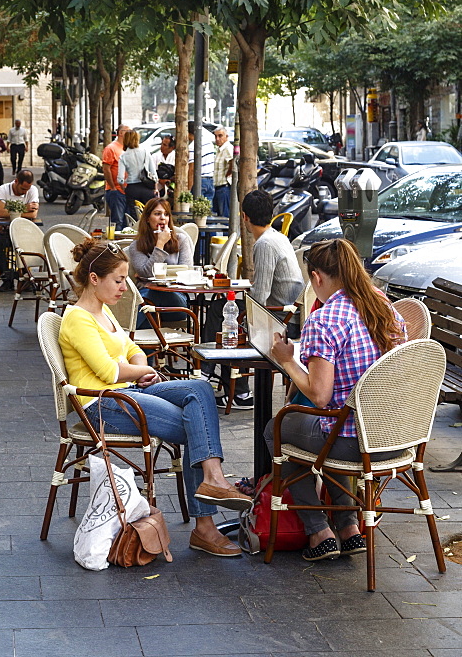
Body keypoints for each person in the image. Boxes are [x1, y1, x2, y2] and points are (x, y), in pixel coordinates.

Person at [59, 239, 253, 556]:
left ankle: (213, 480)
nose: (125, 287)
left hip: (125, 393)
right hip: (101, 404)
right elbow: (108, 371)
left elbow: (134, 351)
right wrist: (138, 372)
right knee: (197, 425)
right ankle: (206, 523)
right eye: (119, 280)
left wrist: (138, 368)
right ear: (94, 278)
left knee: (200, 389)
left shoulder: (103, 312)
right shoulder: (78, 318)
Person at [265, 238, 407, 561]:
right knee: (335, 421)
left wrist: (287, 361)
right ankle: (348, 527)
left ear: (316, 278)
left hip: (355, 443)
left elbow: (319, 395)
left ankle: (319, 530)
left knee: (277, 427)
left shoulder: (324, 319)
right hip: (397, 437)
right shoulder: (384, 307)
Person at [128, 197, 194, 328]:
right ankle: (150, 347)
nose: (163, 218)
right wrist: (160, 245)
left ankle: (124, 334)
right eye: (157, 214)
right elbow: (145, 272)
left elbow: (187, 272)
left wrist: (160, 244)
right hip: (148, 300)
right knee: (148, 305)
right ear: (147, 218)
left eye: (166, 214)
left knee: (149, 297)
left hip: (176, 300)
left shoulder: (181, 240)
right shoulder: (136, 245)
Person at [242, 189, 304, 319]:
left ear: (245, 216)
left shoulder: (265, 244)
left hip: (283, 318)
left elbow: (260, 296)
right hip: (291, 313)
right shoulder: (278, 236)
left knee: (218, 308)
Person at [0, 170, 40, 292]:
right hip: (5, 230)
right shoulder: (4, 189)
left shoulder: (32, 190)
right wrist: (25, 208)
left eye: (26, 190)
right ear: (16, 181)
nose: (25, 192)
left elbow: (33, 214)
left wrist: (10, 212)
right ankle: (7, 278)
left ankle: (24, 278)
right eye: (23, 189)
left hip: (25, 232)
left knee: (27, 245)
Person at [117, 130, 158, 220]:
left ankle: (137, 232)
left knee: (135, 216)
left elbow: (120, 179)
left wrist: (124, 189)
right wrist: (155, 188)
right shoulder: (145, 152)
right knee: (150, 214)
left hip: (132, 188)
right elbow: (153, 173)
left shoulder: (123, 156)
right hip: (147, 187)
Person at [102, 123, 129, 230]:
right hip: (116, 190)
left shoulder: (127, 148)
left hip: (126, 190)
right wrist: (113, 187)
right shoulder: (111, 148)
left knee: (126, 221)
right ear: (121, 133)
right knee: (117, 220)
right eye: (128, 131)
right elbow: (106, 168)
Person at [187, 122, 215, 202]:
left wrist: (188, 189)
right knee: (207, 210)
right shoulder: (209, 143)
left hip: (199, 181)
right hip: (210, 180)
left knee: (197, 210)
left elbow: (192, 169)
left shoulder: (193, 146)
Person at [212, 127, 233, 217]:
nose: (217, 139)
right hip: (218, 187)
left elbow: (233, 162)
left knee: (225, 217)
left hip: (224, 187)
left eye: (220, 136)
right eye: (215, 136)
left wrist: (228, 174)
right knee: (219, 215)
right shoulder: (219, 149)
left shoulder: (227, 148)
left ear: (226, 136)